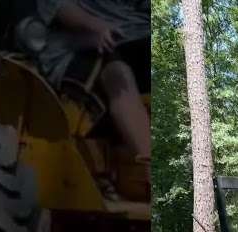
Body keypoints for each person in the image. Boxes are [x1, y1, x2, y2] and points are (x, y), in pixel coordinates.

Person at [34, 0, 151, 191]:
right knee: (118, 74)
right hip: (79, 45)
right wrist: (94, 26)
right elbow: (57, 5)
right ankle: (153, 172)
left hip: (135, 35)